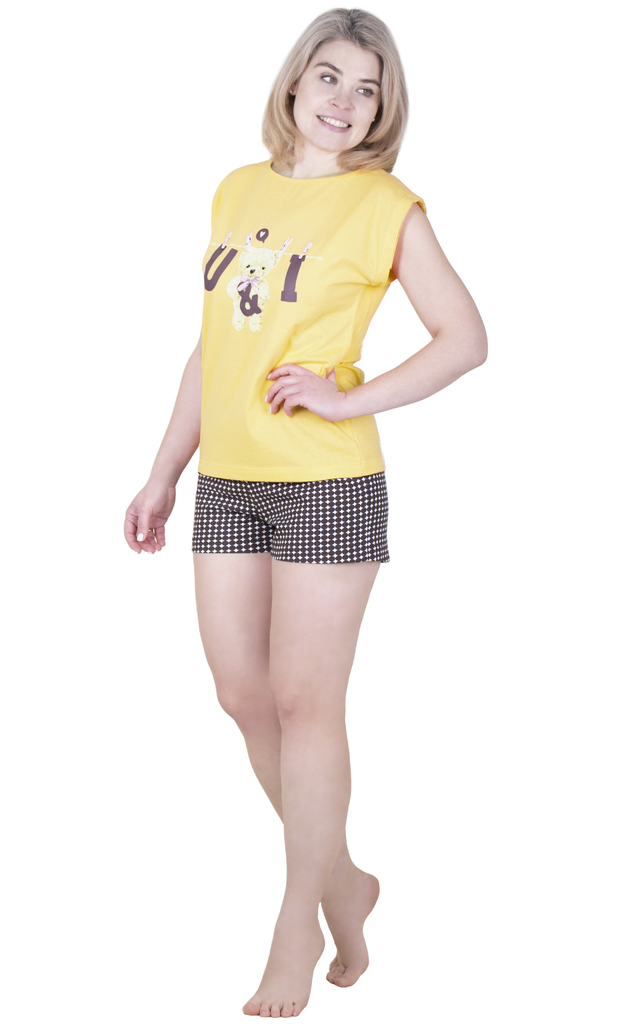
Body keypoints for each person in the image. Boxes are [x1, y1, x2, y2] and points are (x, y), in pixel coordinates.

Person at [124, 7, 487, 1017]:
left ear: (381, 110)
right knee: (241, 696)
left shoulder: (384, 205)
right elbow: (215, 345)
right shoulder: (235, 189)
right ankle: (343, 881)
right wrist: (163, 472)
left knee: (303, 704)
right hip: (228, 479)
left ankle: (297, 923)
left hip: (327, 482)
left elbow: (463, 339)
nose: (342, 101)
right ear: (293, 83)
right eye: (328, 77)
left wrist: (343, 398)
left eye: (366, 89)